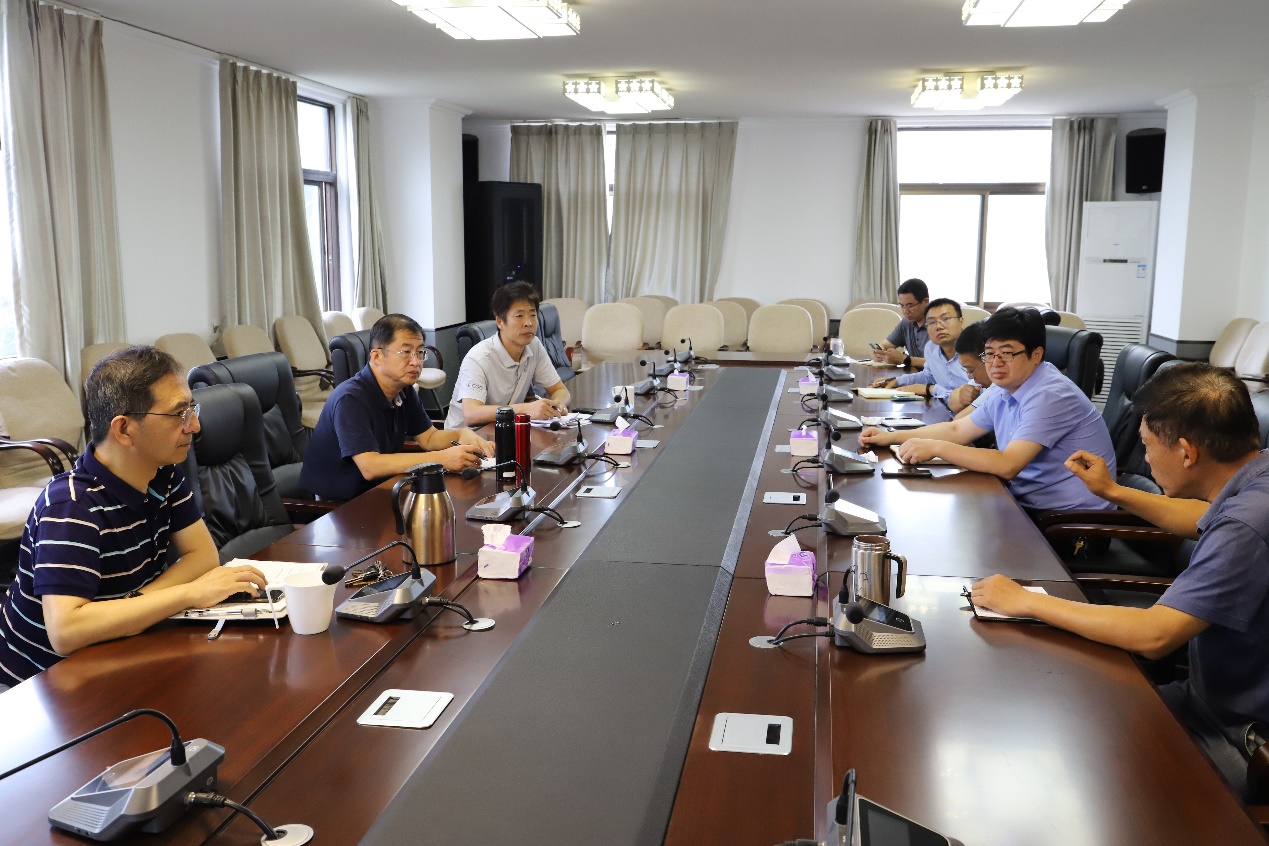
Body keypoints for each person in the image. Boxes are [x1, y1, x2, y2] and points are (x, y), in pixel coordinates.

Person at [971, 363, 1269, 796]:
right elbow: (1204, 517)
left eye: (1147, 445)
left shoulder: (1247, 525)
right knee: (1070, 714)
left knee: (1079, 771)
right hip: (1209, 694)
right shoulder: (1256, 478)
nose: (1144, 458)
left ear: (1187, 453)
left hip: (1239, 735)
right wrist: (1111, 491)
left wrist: (1027, 601)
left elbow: (1154, 636)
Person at [0, 346, 270, 688]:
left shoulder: (163, 473)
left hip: (117, 650)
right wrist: (188, 594)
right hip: (43, 686)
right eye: (179, 414)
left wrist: (137, 606)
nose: (195, 425)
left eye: (192, 409)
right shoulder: (71, 507)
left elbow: (203, 556)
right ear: (125, 429)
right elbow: (66, 632)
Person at [858, 307, 1115, 511]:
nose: (995, 363)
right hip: (1026, 503)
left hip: (1069, 521)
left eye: (1007, 353)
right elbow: (958, 430)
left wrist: (936, 448)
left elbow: (1008, 464)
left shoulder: (1050, 394)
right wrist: (890, 436)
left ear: (1036, 355)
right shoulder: (1007, 386)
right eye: (989, 354)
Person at [301, 313, 494, 502]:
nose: (416, 362)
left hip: (381, 488)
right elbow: (370, 466)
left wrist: (460, 435)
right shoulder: (350, 398)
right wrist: (442, 458)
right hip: (338, 504)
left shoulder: (403, 389)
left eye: (420, 352)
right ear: (377, 356)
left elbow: (429, 438)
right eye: (406, 352)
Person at [445, 282, 571, 430]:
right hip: (465, 437)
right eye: (519, 316)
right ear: (500, 322)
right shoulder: (478, 358)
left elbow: (560, 390)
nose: (528, 323)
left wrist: (556, 405)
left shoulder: (533, 345)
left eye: (533, 315)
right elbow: (471, 414)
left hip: (503, 430)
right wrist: (525, 409)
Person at [871, 298, 967, 402]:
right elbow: (928, 376)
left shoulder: (975, 352)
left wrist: (930, 389)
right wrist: (897, 381)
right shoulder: (931, 347)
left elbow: (973, 398)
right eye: (932, 322)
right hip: (945, 407)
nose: (939, 326)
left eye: (945, 319)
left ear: (961, 322)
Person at [872, 278, 929, 369]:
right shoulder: (906, 323)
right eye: (902, 306)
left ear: (925, 302)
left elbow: (941, 363)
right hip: (915, 374)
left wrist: (904, 359)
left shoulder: (938, 324)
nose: (905, 311)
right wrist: (880, 354)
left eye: (910, 306)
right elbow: (884, 345)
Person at [948, 321, 999, 418]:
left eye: (971, 371)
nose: (970, 376)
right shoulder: (981, 382)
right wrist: (962, 396)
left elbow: (959, 421)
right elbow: (952, 404)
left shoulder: (999, 386)